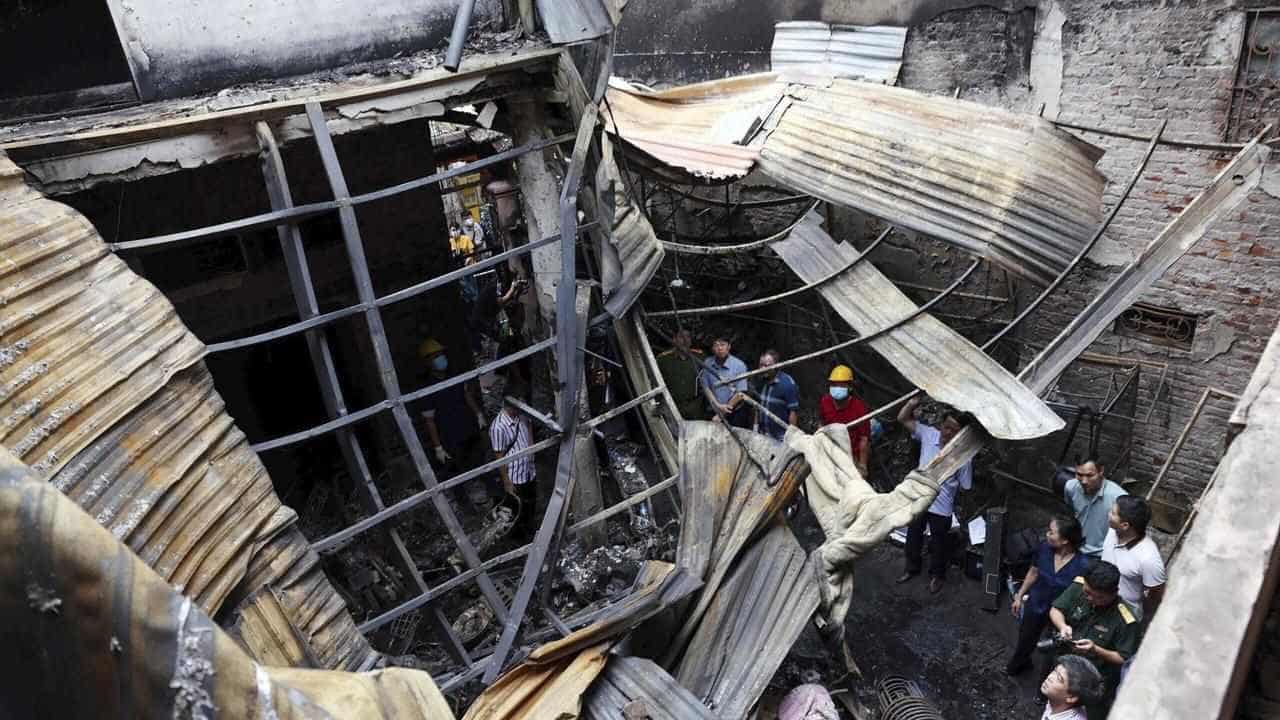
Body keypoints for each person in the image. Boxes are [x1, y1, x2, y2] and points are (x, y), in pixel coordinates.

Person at [896, 396, 974, 593]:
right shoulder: (929, 434)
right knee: (913, 535)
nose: (948, 433)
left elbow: (966, 486)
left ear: (960, 436)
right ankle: (911, 568)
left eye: (954, 431)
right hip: (919, 498)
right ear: (941, 425)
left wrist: (964, 461)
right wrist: (912, 404)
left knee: (939, 544)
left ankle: (936, 576)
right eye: (947, 427)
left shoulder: (962, 454)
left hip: (942, 505)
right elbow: (902, 419)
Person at [1048, 561, 1139, 718]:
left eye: (1099, 597)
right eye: (1087, 592)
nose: (1089, 598)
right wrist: (1062, 626)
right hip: (1065, 666)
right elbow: (1056, 609)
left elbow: (1123, 658)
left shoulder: (1126, 620)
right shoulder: (1079, 587)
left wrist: (1095, 649)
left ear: (1114, 592)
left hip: (1094, 680)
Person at [1006, 515, 1090, 676]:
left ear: (1065, 540)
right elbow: (1033, 572)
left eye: (1051, 532)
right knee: (1025, 639)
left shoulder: (1082, 565)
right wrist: (1019, 595)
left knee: (1053, 649)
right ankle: (1018, 665)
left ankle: (1045, 685)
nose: (1047, 535)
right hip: (1036, 604)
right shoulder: (1044, 548)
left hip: (1060, 613)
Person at [1101, 496, 1166, 622]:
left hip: (1125, 612)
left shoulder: (1148, 559)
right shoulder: (1113, 531)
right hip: (1099, 600)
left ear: (1125, 525)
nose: (1108, 514)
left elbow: (1156, 594)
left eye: (1113, 513)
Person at [490, 394, 537, 539]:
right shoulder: (498, 427)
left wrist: (531, 449)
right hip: (515, 475)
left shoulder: (522, 416)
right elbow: (499, 457)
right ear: (510, 404)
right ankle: (519, 539)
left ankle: (531, 530)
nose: (523, 405)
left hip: (528, 470)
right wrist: (507, 482)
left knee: (531, 503)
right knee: (518, 509)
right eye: (521, 402)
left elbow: (528, 428)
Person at [1064, 458, 1127, 557]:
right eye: (1079, 475)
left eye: (1089, 475)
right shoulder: (1070, 487)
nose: (1084, 481)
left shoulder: (1118, 497)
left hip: (1100, 555)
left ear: (1101, 471)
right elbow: (1070, 512)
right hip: (1073, 548)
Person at [817, 365, 871, 476]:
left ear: (850, 387)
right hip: (830, 449)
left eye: (841, 385)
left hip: (851, 456)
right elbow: (821, 424)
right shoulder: (825, 401)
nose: (836, 387)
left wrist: (863, 466)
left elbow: (864, 439)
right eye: (834, 384)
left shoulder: (859, 408)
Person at [699, 335, 750, 428]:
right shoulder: (708, 363)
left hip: (733, 412)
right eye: (716, 345)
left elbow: (741, 393)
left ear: (729, 346)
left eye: (722, 345)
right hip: (713, 410)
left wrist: (721, 414)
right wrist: (718, 406)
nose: (719, 348)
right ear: (712, 348)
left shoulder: (739, 365)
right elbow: (705, 387)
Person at [656, 329, 704, 420]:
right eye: (681, 337)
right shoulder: (663, 359)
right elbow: (654, 381)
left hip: (694, 406)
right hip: (671, 405)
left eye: (688, 337)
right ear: (674, 339)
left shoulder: (699, 357)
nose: (685, 340)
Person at [751, 349, 799, 441]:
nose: (762, 369)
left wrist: (792, 437)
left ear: (776, 365)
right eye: (761, 365)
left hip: (781, 437)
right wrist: (755, 428)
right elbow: (756, 406)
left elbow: (793, 412)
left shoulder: (787, 384)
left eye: (767, 365)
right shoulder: (759, 381)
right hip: (762, 434)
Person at [1039, 655, 1105, 720]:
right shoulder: (1055, 700)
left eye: (1059, 678)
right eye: (1054, 671)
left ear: (1071, 697)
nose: (1050, 677)